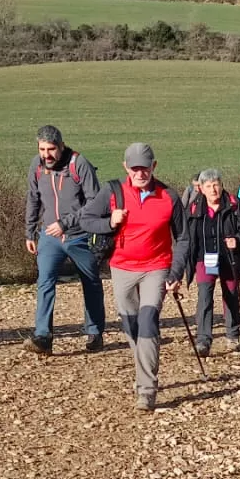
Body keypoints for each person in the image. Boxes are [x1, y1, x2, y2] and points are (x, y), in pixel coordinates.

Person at [84, 143, 183, 408]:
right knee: (131, 326)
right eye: (135, 168)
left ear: (154, 166)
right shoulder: (112, 191)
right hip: (122, 267)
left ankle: (147, 390)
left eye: (145, 167)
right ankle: (143, 370)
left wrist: (177, 271)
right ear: (125, 166)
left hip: (157, 267)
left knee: (149, 320)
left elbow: (183, 238)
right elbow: (86, 219)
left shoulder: (169, 196)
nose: (140, 173)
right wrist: (109, 222)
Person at [23, 124, 106, 355]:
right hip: (49, 235)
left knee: (90, 282)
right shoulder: (36, 166)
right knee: (45, 282)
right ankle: (43, 336)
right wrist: (29, 231)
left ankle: (94, 332)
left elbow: (95, 202)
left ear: (61, 145)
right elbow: (33, 198)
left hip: (80, 235)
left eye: (51, 149)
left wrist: (65, 223)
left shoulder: (79, 164)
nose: (46, 155)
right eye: (42, 149)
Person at [173, 168, 240, 355]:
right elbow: (185, 237)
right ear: (201, 188)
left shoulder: (235, 205)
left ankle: (233, 335)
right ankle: (203, 340)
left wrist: (238, 240)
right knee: (204, 296)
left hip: (230, 258)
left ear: (222, 185)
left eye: (216, 185)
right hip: (204, 259)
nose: (213, 190)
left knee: (231, 294)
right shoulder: (194, 208)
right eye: (209, 186)